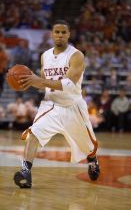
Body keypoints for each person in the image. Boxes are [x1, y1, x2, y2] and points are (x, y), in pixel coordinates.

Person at [14, 20, 100, 188]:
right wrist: (30, 81)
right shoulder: (45, 56)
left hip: (72, 106)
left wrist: (40, 81)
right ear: (52, 34)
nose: (60, 35)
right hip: (50, 105)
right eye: (57, 32)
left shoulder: (76, 55)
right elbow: (42, 82)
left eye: (63, 32)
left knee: (88, 146)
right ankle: (25, 171)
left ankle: (92, 159)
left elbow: (68, 85)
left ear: (69, 34)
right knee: (34, 133)